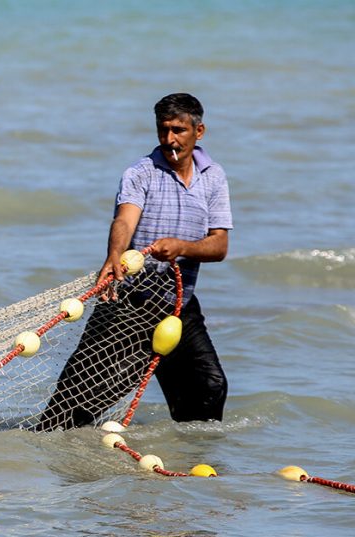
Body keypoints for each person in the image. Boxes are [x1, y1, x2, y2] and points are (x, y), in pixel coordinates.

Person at [35, 93, 232, 431]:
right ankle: (52, 458)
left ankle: (191, 475)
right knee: (85, 399)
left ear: (199, 132)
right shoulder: (141, 173)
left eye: (179, 131)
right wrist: (114, 255)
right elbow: (124, 220)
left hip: (178, 304)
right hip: (130, 301)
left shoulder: (213, 177)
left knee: (209, 388)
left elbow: (219, 245)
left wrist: (182, 247)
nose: (170, 140)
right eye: (163, 130)